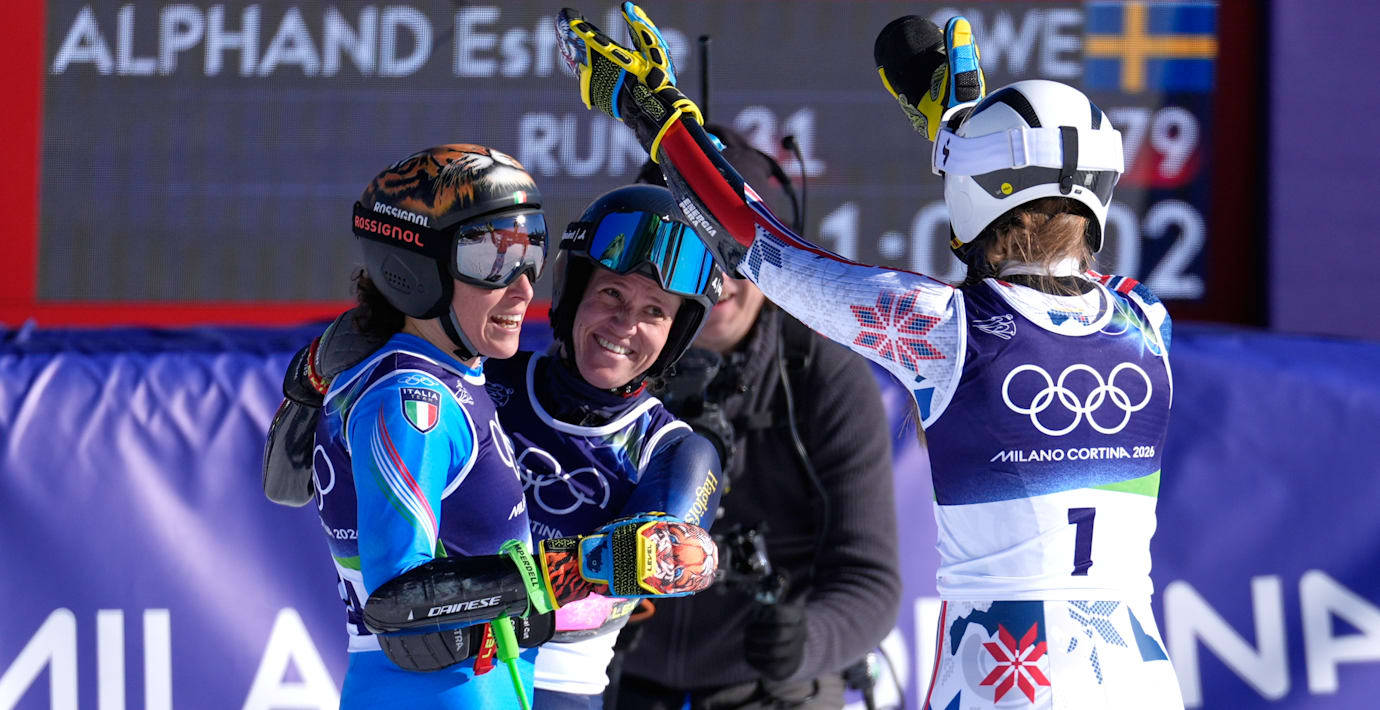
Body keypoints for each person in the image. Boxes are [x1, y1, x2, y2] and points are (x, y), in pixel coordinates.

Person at [557, 6, 1186, 709]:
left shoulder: (947, 333)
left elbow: (756, 245)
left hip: (1007, 680)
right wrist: (966, 140)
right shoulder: (1144, 317)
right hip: (1140, 678)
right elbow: (1041, 257)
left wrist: (653, 114)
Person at [264, 179, 727, 709]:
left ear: (677, 334)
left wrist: (595, 567)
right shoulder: (475, 378)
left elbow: (648, 572)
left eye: (655, 313)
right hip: (439, 676)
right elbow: (288, 485)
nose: (625, 324)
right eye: (611, 294)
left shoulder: (675, 451)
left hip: (556, 686)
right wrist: (313, 381)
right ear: (573, 292)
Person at [614, 125, 901, 710]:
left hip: (774, 690)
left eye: (737, 252)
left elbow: (870, 580)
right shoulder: (603, 360)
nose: (718, 277)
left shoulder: (822, 377)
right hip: (617, 682)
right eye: (689, 249)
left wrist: (807, 639)